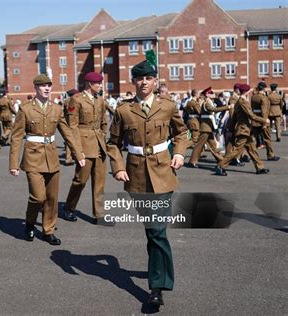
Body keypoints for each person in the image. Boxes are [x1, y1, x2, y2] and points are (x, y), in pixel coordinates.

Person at [106, 59, 189, 307]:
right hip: (136, 176)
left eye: (148, 78)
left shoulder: (168, 106)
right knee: (152, 232)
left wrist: (180, 153)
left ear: (155, 81)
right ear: (134, 82)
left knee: (156, 230)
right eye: (139, 78)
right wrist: (118, 167)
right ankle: (159, 270)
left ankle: (157, 288)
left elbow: (181, 132)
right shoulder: (123, 110)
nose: (144, 82)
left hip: (163, 173)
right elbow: (112, 143)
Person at [9, 74, 85, 245]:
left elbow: (67, 133)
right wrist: (14, 164)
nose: (47, 88)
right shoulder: (25, 109)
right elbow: (16, 137)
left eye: (49, 86)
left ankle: (48, 230)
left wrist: (78, 154)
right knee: (38, 197)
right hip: (33, 158)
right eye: (43, 86)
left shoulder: (56, 109)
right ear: (36, 88)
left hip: (51, 158)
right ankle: (29, 223)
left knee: (51, 197)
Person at [62, 72, 109, 225]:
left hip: (99, 145)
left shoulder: (100, 100)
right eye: (99, 83)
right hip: (84, 144)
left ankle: (98, 214)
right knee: (80, 180)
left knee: (99, 182)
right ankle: (69, 207)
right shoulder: (76, 100)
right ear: (90, 84)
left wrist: (102, 134)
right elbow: (72, 126)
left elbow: (104, 120)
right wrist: (78, 150)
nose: (101, 86)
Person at [215, 84, 270, 176]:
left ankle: (260, 167)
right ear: (246, 92)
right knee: (236, 150)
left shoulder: (239, 102)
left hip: (245, 130)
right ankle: (220, 166)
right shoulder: (242, 102)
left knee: (252, 149)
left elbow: (234, 118)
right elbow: (251, 115)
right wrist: (264, 120)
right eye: (249, 91)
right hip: (243, 130)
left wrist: (230, 129)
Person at [187, 87, 232, 168]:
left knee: (213, 146)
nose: (213, 94)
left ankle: (221, 160)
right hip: (205, 127)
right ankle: (192, 161)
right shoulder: (206, 103)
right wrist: (227, 107)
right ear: (207, 94)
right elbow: (213, 109)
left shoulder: (209, 102)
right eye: (211, 93)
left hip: (208, 127)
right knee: (199, 145)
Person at [251, 82, 279, 161]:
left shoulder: (253, 97)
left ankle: (245, 155)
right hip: (263, 120)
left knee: (251, 139)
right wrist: (264, 122)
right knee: (267, 138)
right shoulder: (263, 98)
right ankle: (270, 155)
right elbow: (264, 111)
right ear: (264, 88)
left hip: (255, 119)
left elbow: (253, 109)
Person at [63, 89, 79, 166]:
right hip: (75, 124)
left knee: (69, 141)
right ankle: (77, 157)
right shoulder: (74, 101)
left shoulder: (66, 101)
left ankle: (68, 158)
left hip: (68, 123)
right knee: (76, 141)